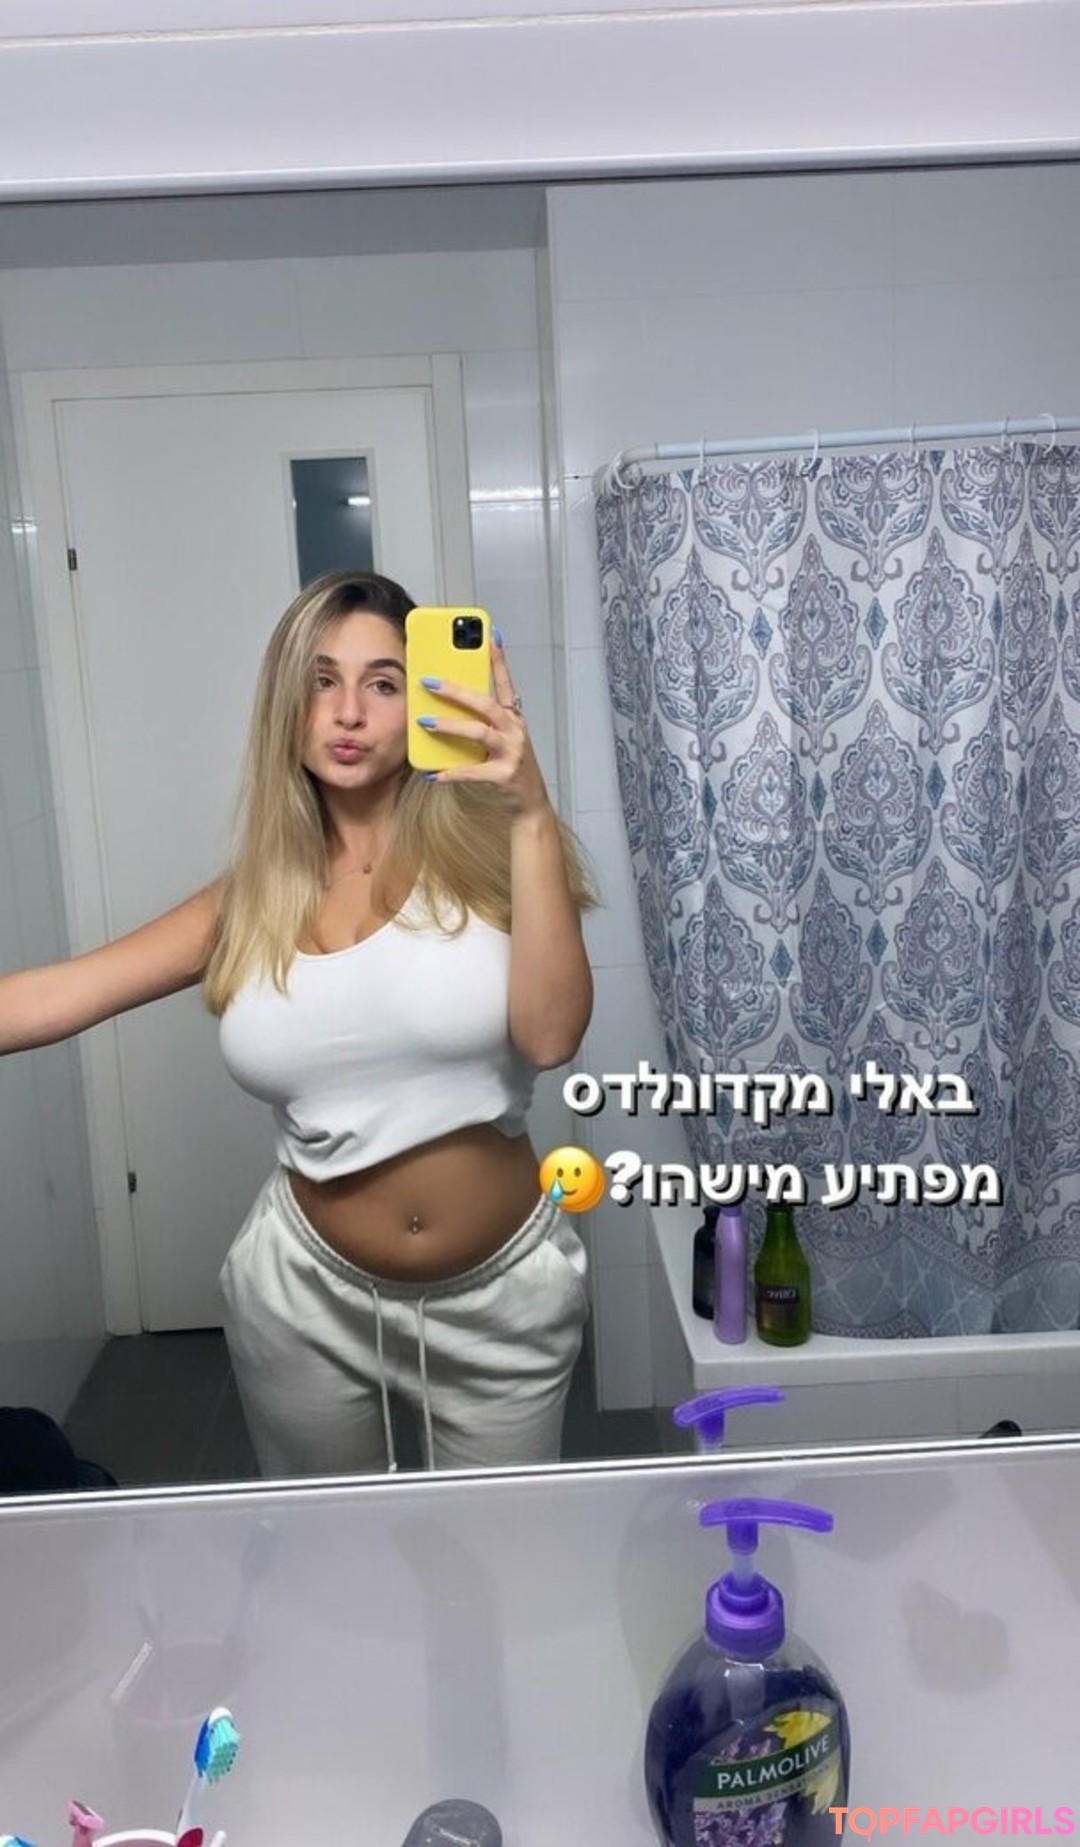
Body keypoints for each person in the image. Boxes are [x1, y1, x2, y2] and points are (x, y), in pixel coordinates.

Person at [0, 570, 597, 1477]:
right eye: (322, 680)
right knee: (325, 1549)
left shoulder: (496, 861)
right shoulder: (249, 900)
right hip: (306, 1295)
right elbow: (53, 995)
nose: (348, 711)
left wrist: (531, 810)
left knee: (506, 1547)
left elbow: (553, 1036)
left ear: (423, 699)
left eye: (383, 682)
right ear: (288, 704)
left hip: (502, 1292)